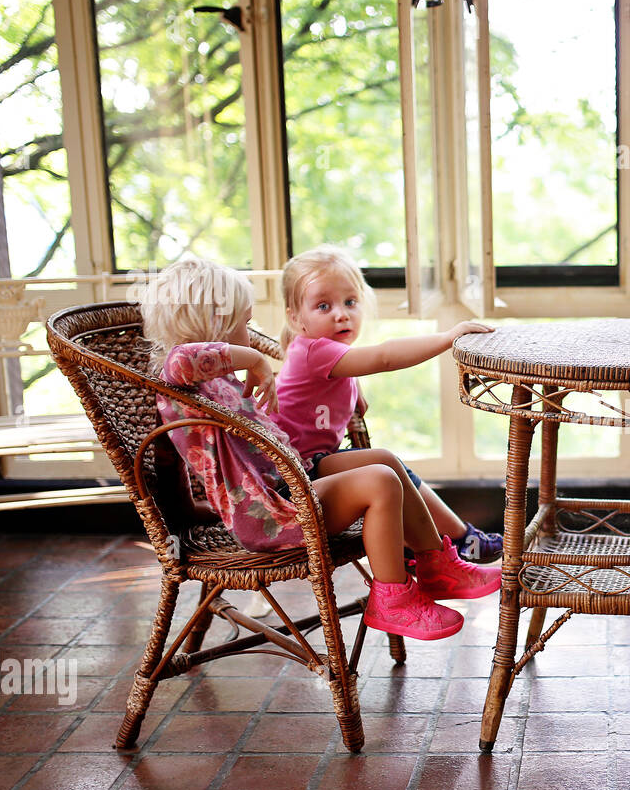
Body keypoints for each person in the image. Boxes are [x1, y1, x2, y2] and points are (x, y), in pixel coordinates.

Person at [140, 255, 487, 642]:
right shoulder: (180, 375)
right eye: (244, 322)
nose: (250, 331)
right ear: (214, 328)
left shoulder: (216, 381)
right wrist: (255, 358)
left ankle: (438, 566)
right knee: (380, 481)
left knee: (385, 460)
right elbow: (184, 359)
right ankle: (392, 599)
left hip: (288, 484)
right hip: (269, 515)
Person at [273, 244, 504, 565]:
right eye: (323, 306)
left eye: (350, 302)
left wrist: (355, 387)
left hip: (310, 466)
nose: (341, 313)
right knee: (388, 465)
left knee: (387, 462)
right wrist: (448, 337)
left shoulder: (325, 354)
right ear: (296, 318)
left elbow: (343, 370)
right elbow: (384, 357)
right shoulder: (314, 353)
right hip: (287, 482)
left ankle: (449, 541)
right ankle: (458, 540)